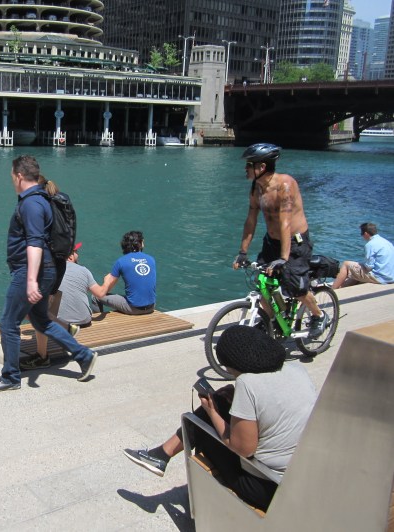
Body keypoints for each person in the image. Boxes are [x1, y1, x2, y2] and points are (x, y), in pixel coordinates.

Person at [123, 325, 316, 512]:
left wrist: (211, 412)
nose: (230, 373)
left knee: (199, 424)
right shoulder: (296, 370)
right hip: (303, 474)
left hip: (267, 487)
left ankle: (167, 461)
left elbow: (242, 449)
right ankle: (161, 455)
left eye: (228, 368)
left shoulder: (248, 384)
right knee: (221, 402)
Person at [0, 155, 97, 392]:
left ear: (19, 176)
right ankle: (83, 355)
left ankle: (11, 377)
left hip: (31, 271)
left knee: (8, 323)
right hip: (42, 269)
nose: (12, 181)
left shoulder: (32, 203)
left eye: (12, 177)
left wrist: (32, 281)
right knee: (41, 320)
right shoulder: (40, 199)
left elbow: (34, 243)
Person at [234, 143, 328, 337]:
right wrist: (243, 252)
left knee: (296, 288)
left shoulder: (285, 185)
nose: (245, 168)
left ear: (261, 167)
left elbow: (285, 223)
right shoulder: (256, 189)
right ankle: (272, 319)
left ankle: (318, 315)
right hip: (272, 242)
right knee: (264, 282)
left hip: (295, 243)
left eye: (249, 165)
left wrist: (283, 259)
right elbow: (250, 220)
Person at [22, 242, 104, 370]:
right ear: (70, 256)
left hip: (60, 321)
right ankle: (68, 330)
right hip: (85, 319)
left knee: (37, 308)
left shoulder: (49, 270)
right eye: (76, 252)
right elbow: (100, 294)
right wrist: (109, 281)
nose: (78, 254)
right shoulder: (84, 270)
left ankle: (42, 355)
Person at [94, 231, 156, 315]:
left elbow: (104, 291)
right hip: (151, 307)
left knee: (96, 296)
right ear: (139, 244)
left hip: (133, 308)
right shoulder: (151, 259)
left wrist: (106, 281)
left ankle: (98, 326)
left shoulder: (121, 261)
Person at [332, 222, 394, 289]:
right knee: (357, 270)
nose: (362, 236)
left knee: (346, 264)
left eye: (361, 233)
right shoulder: (386, 242)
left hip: (380, 278)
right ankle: (342, 287)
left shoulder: (370, 244)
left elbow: (369, 267)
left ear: (366, 234)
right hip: (390, 276)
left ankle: (333, 289)